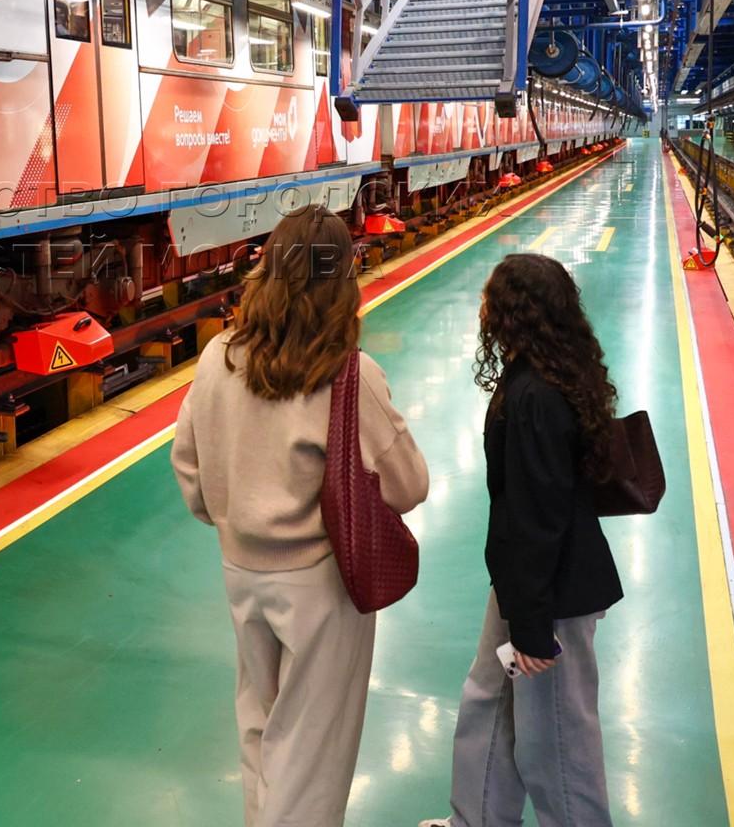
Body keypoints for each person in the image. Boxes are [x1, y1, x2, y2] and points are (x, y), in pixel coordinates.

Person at [171, 205, 429, 827]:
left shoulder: (218, 358)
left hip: (241, 572)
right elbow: (409, 484)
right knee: (310, 759)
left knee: (259, 733)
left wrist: (232, 517)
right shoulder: (348, 374)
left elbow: (189, 466)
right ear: (342, 280)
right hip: (321, 585)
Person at [422, 253, 624, 827]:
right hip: (522, 583)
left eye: (490, 299)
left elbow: (539, 519)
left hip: (549, 594)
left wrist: (533, 627)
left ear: (513, 312)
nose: (482, 307)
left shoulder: (536, 396)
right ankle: (477, 819)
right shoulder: (544, 375)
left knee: (557, 739)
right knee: (489, 702)